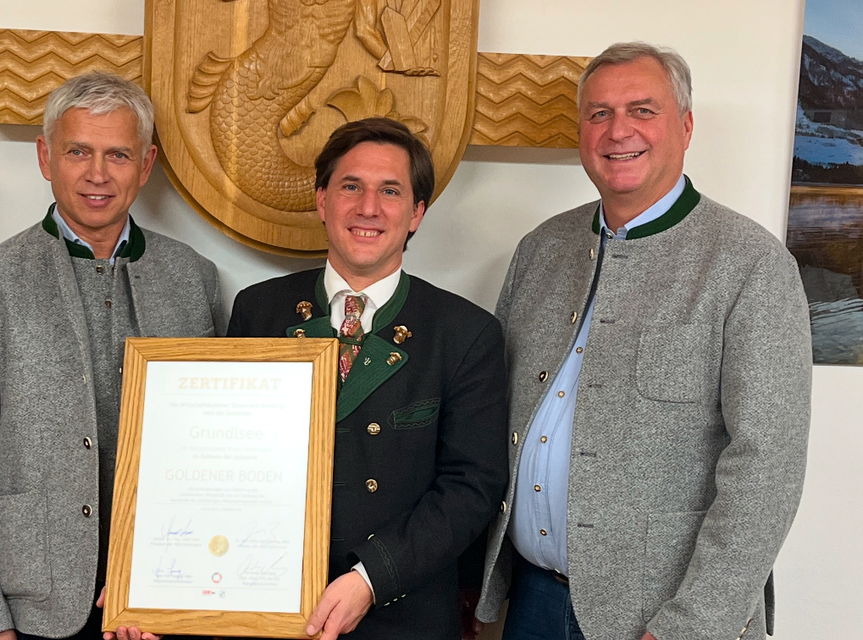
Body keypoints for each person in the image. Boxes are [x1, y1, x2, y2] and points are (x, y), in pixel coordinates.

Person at [476, 42, 813, 640]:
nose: (618, 130)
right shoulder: (539, 250)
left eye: (642, 110)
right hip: (530, 601)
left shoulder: (752, 265)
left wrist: (690, 626)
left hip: (661, 618)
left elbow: (768, 469)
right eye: (599, 113)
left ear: (686, 126)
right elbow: (494, 420)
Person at [0, 71, 224, 640]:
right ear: (45, 157)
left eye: (118, 154)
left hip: (163, 596)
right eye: (78, 152)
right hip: (33, 601)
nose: (98, 174)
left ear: (146, 164)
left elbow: (214, 450)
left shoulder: (194, 278)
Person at [226, 117, 509, 640]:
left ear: (417, 213)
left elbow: (472, 487)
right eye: (351, 186)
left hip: (402, 612)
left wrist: (369, 578)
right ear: (322, 201)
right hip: (268, 600)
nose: (368, 208)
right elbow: (224, 460)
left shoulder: (466, 333)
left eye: (391, 191)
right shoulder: (257, 311)